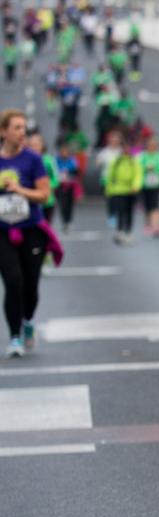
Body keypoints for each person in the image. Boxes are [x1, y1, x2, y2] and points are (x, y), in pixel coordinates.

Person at [0, 109, 52, 357]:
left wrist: (20, 190)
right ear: (3, 132)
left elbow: (44, 194)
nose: (22, 133)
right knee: (13, 282)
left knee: (30, 286)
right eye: (17, 128)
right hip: (3, 231)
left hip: (30, 228)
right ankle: (14, 336)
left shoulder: (33, 160)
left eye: (23, 127)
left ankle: (28, 320)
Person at [101, 129, 142, 245]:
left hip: (131, 190)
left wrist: (136, 186)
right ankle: (119, 231)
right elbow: (110, 175)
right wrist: (109, 189)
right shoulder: (117, 161)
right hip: (118, 190)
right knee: (121, 211)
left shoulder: (133, 161)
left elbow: (138, 174)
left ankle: (128, 232)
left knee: (129, 212)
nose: (126, 150)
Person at [26, 131, 58, 225]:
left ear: (42, 145)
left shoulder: (48, 160)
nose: (34, 148)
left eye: (36, 145)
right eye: (31, 145)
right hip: (30, 201)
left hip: (47, 202)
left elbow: (56, 179)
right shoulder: (26, 161)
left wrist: (45, 187)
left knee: (45, 228)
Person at [137, 133, 159, 237]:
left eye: (154, 145)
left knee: (155, 206)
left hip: (155, 184)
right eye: (150, 145)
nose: (152, 147)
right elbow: (137, 169)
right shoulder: (141, 156)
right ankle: (148, 223)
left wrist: (154, 168)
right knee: (147, 206)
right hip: (144, 185)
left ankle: (156, 226)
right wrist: (146, 168)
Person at [54, 138, 79, 233]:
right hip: (60, 185)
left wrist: (69, 173)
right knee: (62, 204)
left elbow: (75, 171)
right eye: (62, 151)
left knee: (70, 204)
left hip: (70, 185)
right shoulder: (56, 160)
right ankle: (65, 221)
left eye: (66, 151)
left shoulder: (72, 160)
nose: (64, 153)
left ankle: (69, 221)